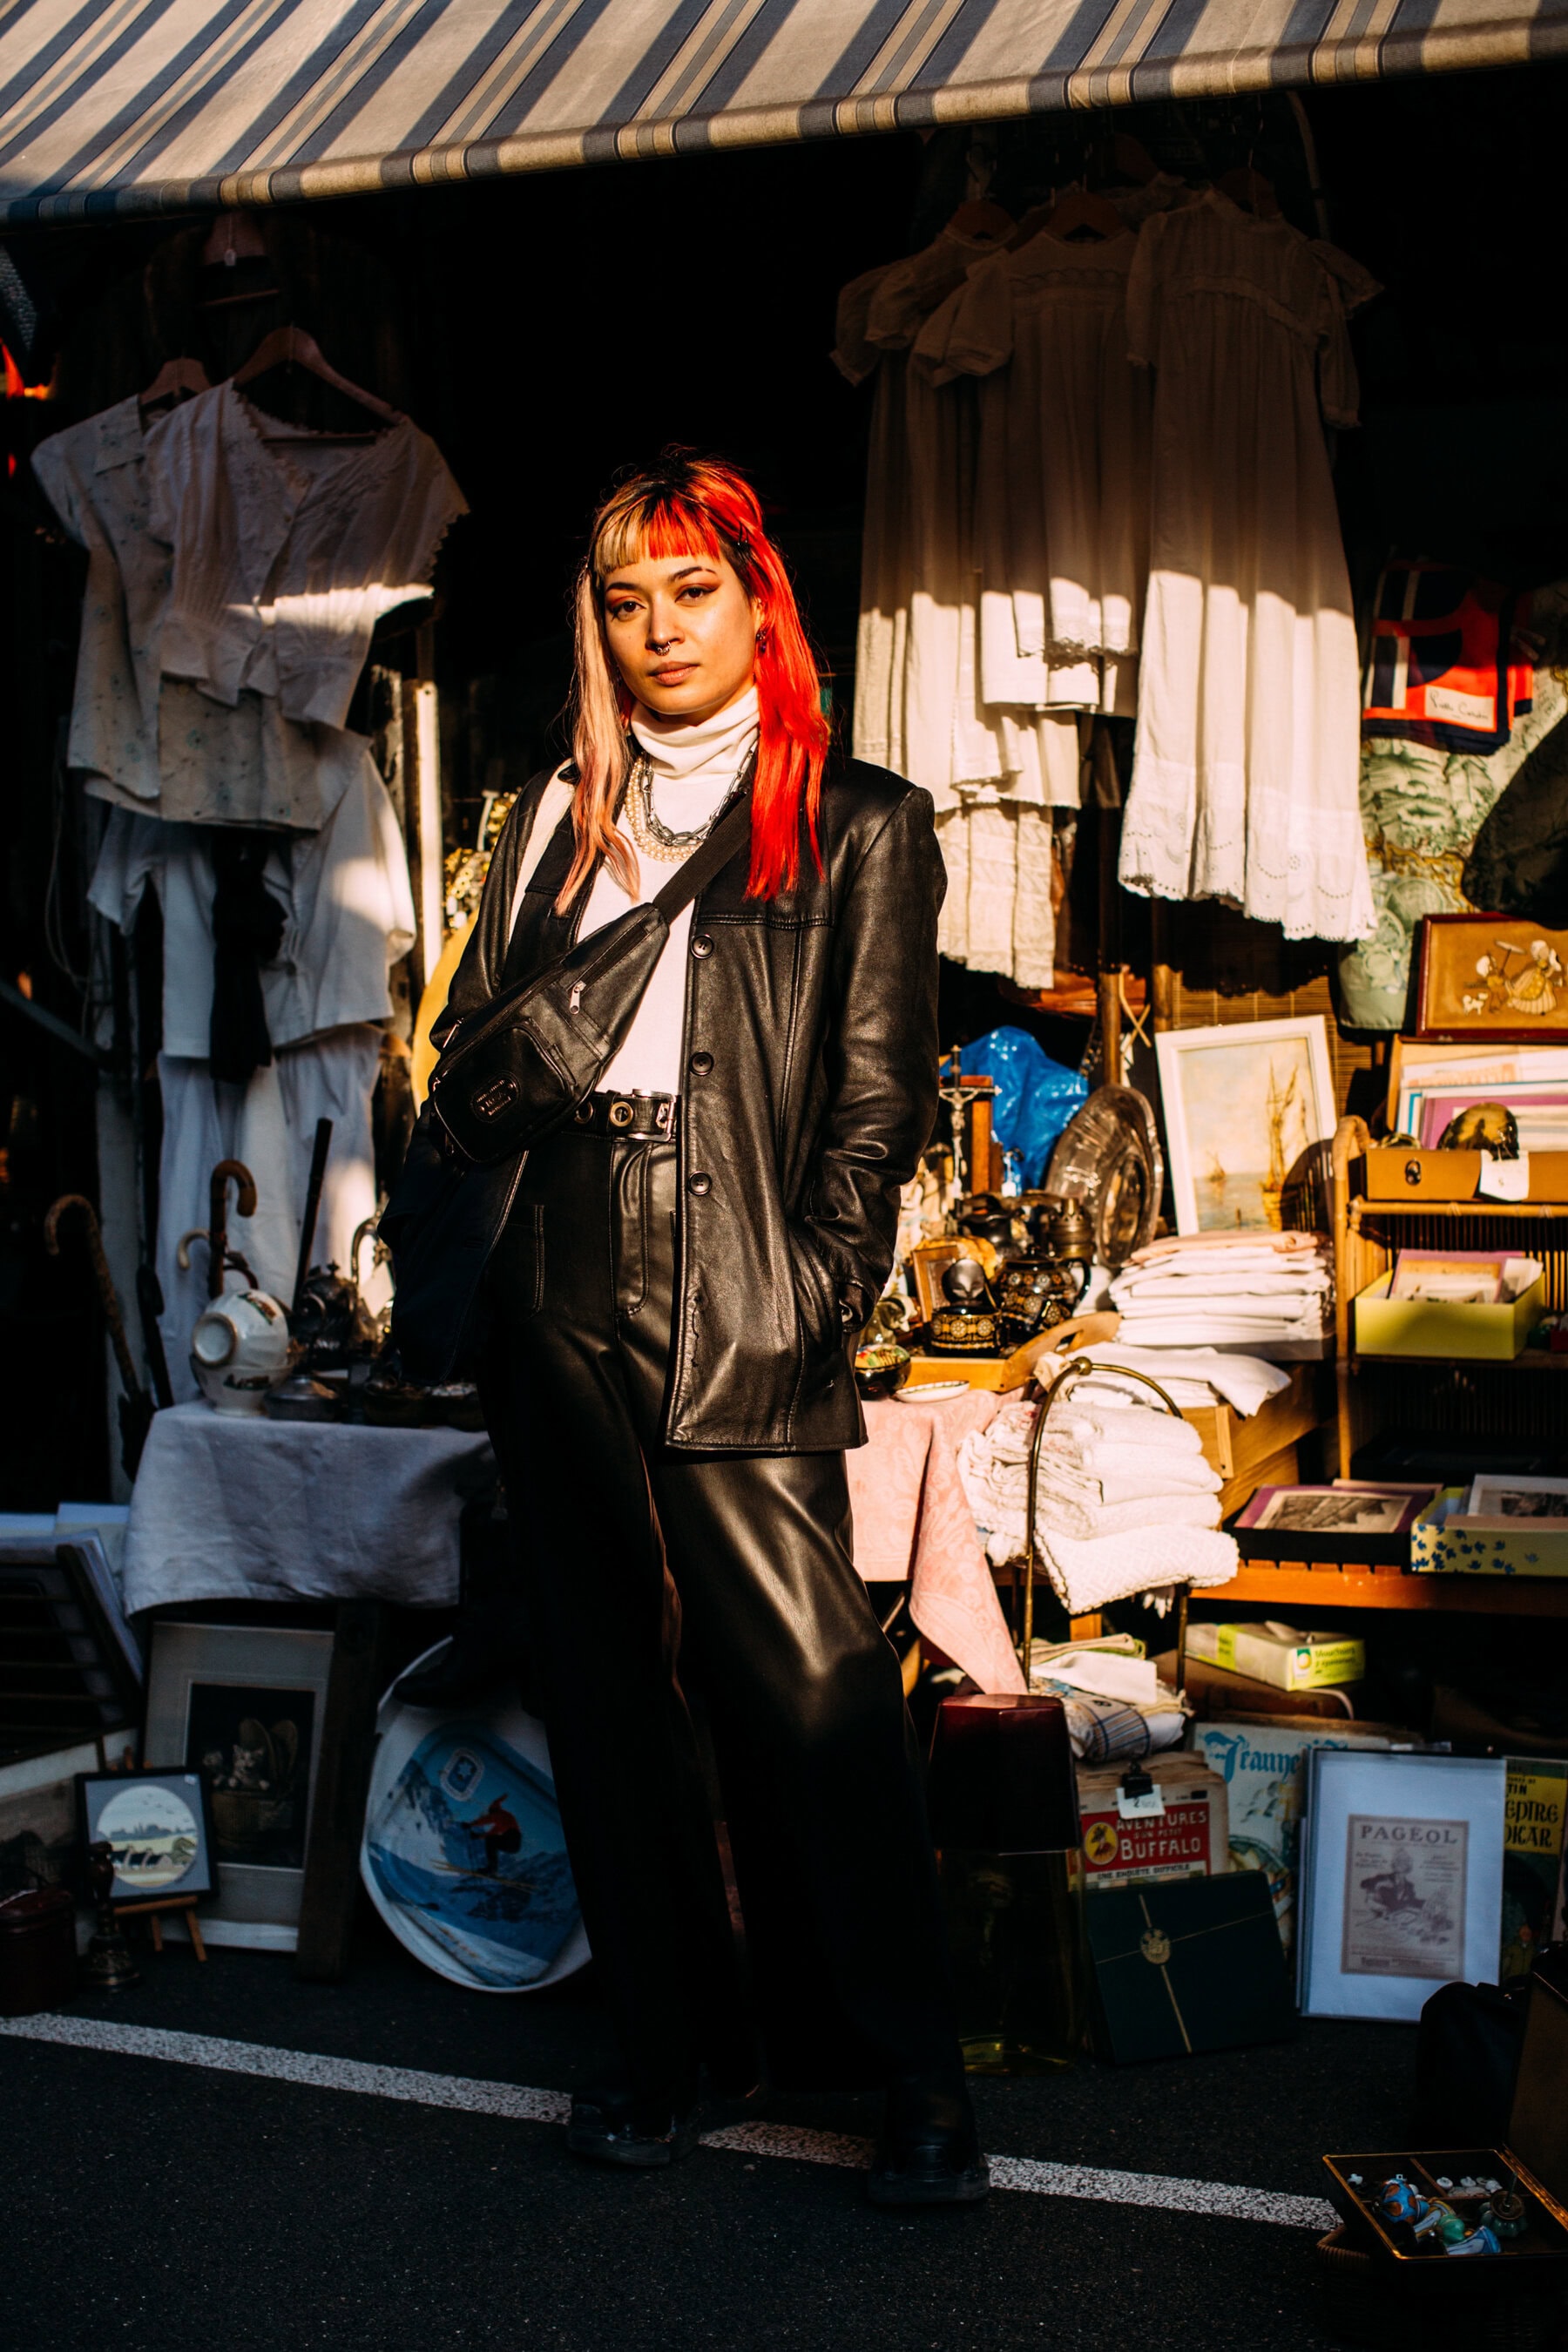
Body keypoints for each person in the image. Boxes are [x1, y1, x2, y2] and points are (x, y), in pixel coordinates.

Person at [409, 452, 983, 2206]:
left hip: (744, 1262)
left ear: (758, 603)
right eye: (627, 598)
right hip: (561, 1263)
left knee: (811, 1688)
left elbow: (873, 1116)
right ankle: (676, 2049)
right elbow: (475, 1078)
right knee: (604, 1689)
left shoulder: (863, 822)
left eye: (693, 591)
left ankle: (910, 2075)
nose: (661, 628)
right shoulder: (543, 818)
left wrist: (810, 1294)